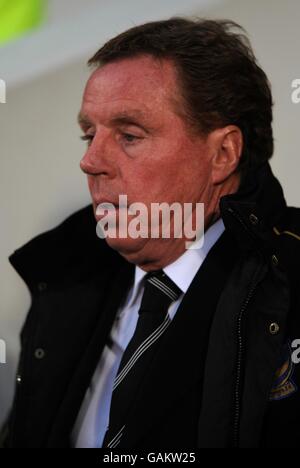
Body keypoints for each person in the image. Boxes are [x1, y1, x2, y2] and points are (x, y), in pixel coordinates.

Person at [1, 17, 300, 449]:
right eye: (89, 135)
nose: (91, 161)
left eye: (129, 134)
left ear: (223, 153)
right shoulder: (63, 283)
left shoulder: (290, 282)